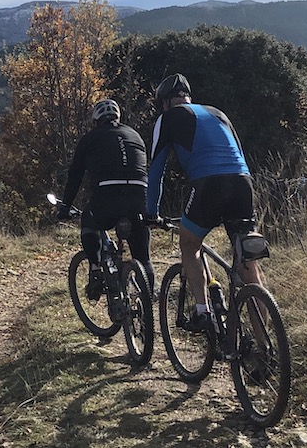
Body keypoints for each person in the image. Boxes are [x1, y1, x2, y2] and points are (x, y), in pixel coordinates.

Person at [144, 73, 261, 333]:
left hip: (209, 184)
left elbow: (156, 172)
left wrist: (151, 213)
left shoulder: (167, 118)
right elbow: (239, 152)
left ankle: (202, 311)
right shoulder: (218, 113)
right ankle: (264, 345)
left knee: (189, 242)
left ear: (164, 103)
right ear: (188, 97)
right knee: (248, 266)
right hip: (243, 182)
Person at [58, 98, 154, 299]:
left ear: (96, 120)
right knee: (143, 258)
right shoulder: (135, 135)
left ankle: (94, 268)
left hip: (108, 199)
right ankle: (148, 308)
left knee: (89, 220)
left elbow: (75, 176)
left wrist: (65, 207)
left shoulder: (90, 138)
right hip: (139, 196)